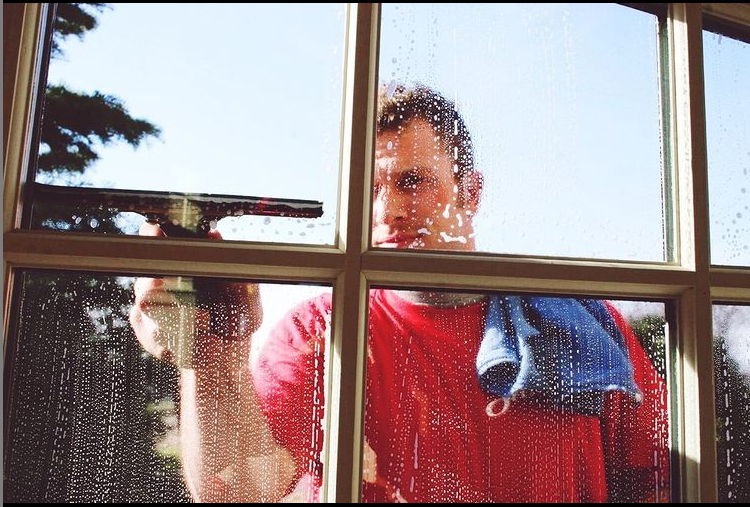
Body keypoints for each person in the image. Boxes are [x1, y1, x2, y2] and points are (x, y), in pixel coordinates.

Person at [131, 83, 669, 503]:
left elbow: (662, 477)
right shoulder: (318, 333)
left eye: (412, 182)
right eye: (368, 190)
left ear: (471, 192)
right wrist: (210, 356)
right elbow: (242, 490)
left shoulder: (582, 324)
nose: (387, 211)